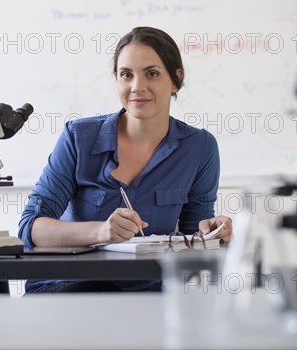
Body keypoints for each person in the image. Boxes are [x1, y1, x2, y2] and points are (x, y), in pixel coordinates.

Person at [18, 26, 232, 293]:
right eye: (126, 75)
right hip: (68, 289)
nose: (137, 87)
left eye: (152, 74)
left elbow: (193, 241)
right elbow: (31, 228)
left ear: (175, 79)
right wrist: (101, 232)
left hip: (146, 295)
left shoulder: (200, 147)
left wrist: (212, 234)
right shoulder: (79, 138)